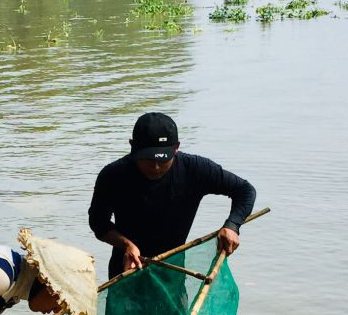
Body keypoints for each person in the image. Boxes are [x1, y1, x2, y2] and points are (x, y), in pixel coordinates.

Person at [88, 112, 256, 276]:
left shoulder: (195, 169)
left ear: (176, 148)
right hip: (125, 270)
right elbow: (98, 223)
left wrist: (232, 225)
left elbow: (245, 190)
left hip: (173, 271)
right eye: (148, 159)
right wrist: (126, 245)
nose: (155, 167)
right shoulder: (113, 175)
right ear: (132, 146)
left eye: (163, 159)